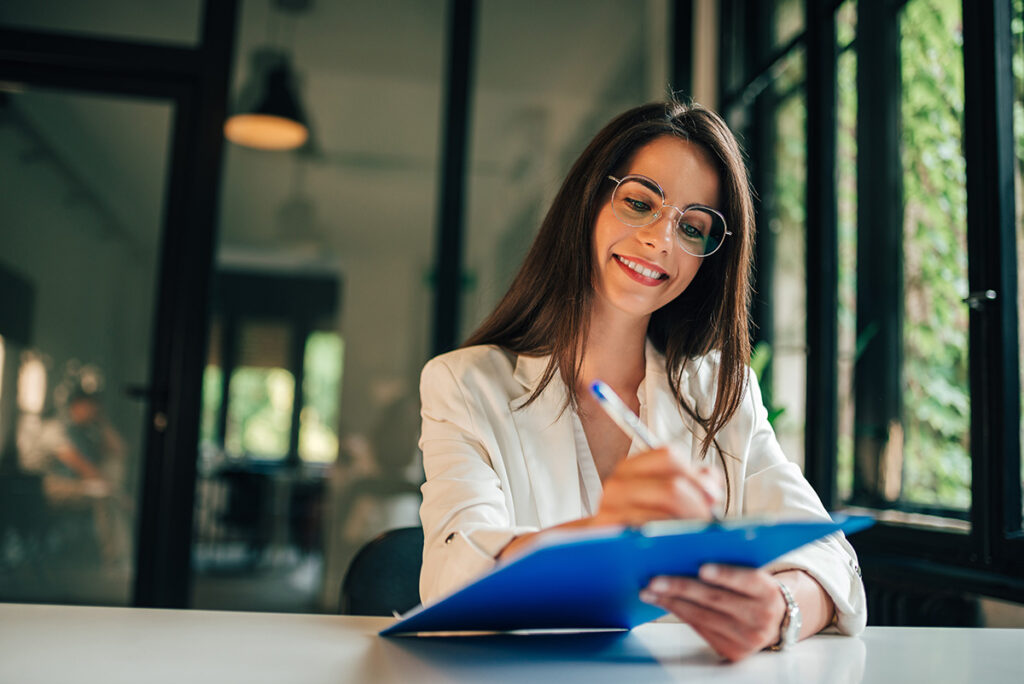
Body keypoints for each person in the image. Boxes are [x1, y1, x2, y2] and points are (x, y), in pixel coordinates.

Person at [417, 100, 866, 662]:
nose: (661, 240)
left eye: (693, 227)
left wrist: (779, 607)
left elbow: (833, 559)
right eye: (639, 202)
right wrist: (602, 532)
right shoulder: (464, 386)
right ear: (589, 203)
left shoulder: (722, 394)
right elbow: (449, 577)